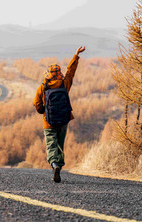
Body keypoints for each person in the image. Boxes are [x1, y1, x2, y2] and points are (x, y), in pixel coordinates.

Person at [33, 46, 86, 183]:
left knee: (51, 145)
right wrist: (76, 55)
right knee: (60, 145)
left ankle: (54, 164)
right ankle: (59, 167)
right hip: (63, 120)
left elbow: (37, 103)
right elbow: (71, 72)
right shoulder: (64, 84)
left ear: (48, 74)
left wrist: (43, 111)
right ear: (59, 74)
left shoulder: (43, 87)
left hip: (48, 121)